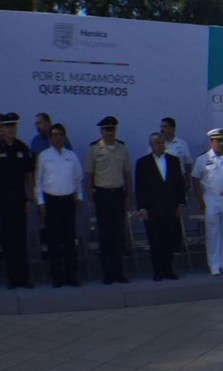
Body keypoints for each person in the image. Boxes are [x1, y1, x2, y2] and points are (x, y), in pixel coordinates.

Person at [84, 116, 133, 285]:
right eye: (106, 129)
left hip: (118, 194)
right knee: (105, 236)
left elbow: (127, 174)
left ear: (115, 130)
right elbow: (89, 176)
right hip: (102, 196)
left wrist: (128, 196)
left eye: (111, 129)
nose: (109, 132)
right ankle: (107, 273)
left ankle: (119, 272)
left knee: (118, 235)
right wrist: (91, 200)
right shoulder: (94, 149)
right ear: (101, 131)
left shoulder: (122, 148)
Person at [34, 123, 84, 287]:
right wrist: (40, 202)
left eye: (60, 134)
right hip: (51, 202)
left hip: (68, 201)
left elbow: (78, 179)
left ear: (64, 137)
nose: (57, 137)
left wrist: (79, 197)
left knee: (70, 240)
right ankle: (57, 276)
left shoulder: (71, 156)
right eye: (54, 135)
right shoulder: (44, 156)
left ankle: (72, 275)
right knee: (54, 241)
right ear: (50, 138)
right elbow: (38, 181)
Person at [135, 132, 186, 281]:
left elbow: (179, 184)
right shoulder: (143, 163)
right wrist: (142, 207)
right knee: (155, 241)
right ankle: (158, 271)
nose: (160, 145)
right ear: (151, 145)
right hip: (152, 209)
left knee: (169, 240)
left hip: (170, 208)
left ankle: (169, 269)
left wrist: (180, 203)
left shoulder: (173, 161)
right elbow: (140, 187)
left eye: (162, 143)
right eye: (157, 143)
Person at [192, 129, 223, 275]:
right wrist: (201, 202)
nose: (221, 144)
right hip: (211, 198)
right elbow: (195, 179)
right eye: (218, 140)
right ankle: (214, 264)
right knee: (213, 232)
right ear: (211, 142)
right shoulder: (202, 159)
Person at [0, 114, 35, 288]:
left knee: (21, 240)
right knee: (7, 241)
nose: (11, 129)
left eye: (13, 126)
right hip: (3, 201)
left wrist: (29, 198)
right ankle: (12, 279)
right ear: (2, 128)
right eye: (7, 126)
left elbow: (29, 176)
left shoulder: (23, 148)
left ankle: (24, 278)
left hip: (20, 201)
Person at [159, 117, 193, 185]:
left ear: (173, 128)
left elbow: (188, 164)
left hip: (178, 181)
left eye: (165, 127)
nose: (162, 130)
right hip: (161, 181)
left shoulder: (182, 144)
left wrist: (188, 180)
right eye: (161, 127)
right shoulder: (157, 144)